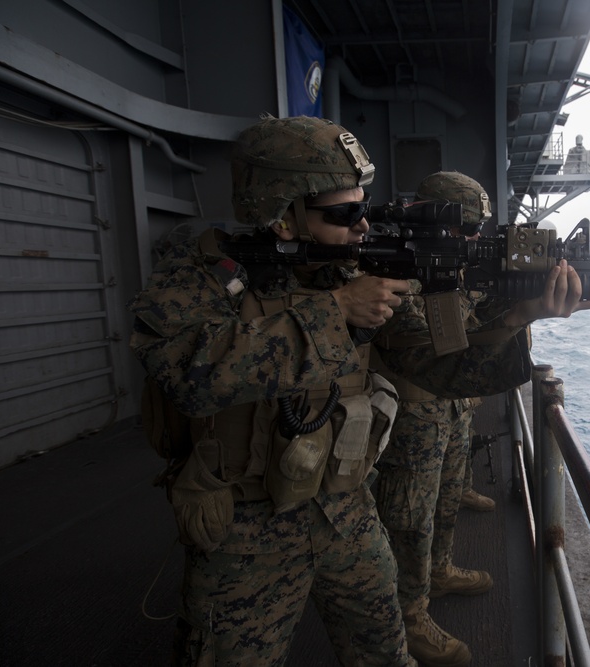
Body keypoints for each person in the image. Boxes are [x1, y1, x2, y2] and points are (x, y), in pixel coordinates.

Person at [128, 114, 416, 666]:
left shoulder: (348, 268)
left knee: (386, 653)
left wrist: (518, 311)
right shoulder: (201, 276)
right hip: (242, 529)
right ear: (283, 218)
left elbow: (434, 362)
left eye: (365, 207)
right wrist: (337, 312)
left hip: (344, 509)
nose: (363, 227)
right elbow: (190, 373)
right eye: (344, 212)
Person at [371, 171, 590, 666]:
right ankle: (411, 613)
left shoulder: (456, 264)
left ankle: (438, 570)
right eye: (464, 228)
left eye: (479, 229)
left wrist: (536, 295)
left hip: (453, 404)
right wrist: (521, 316)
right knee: (409, 515)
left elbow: (475, 319)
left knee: (446, 495)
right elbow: (429, 350)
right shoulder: (395, 270)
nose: (474, 239)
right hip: (415, 407)